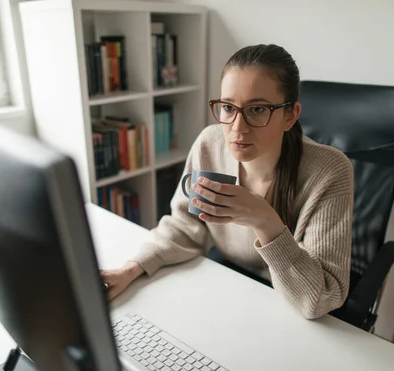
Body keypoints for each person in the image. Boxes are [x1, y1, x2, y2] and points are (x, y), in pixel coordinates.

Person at [101, 44, 354, 319]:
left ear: (290, 115)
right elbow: (185, 225)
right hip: (228, 289)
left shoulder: (330, 171)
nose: (237, 128)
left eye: (257, 110)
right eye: (228, 107)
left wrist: (266, 222)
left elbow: (319, 298)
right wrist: (131, 268)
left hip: (289, 308)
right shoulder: (210, 144)